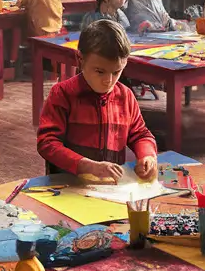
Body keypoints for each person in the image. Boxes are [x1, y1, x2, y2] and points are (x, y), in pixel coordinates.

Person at [37, 20, 158, 181]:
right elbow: (47, 143)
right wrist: (87, 165)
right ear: (80, 59)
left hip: (109, 189)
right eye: (100, 71)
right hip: (67, 186)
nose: (108, 80)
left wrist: (147, 155)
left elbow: (140, 134)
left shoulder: (126, 96)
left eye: (116, 72)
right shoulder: (62, 94)